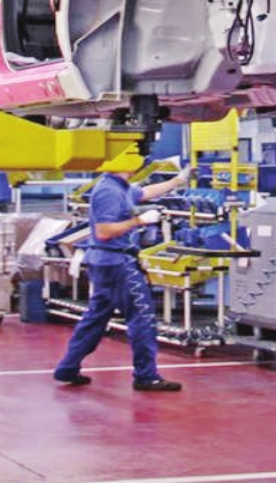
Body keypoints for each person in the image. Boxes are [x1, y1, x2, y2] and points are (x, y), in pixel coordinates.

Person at [53, 154, 190, 391]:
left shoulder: (120, 186)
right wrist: (139, 221)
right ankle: (146, 375)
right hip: (117, 263)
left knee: (95, 318)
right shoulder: (109, 191)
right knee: (142, 317)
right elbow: (104, 231)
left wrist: (178, 181)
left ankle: (67, 367)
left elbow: (145, 192)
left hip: (106, 262)